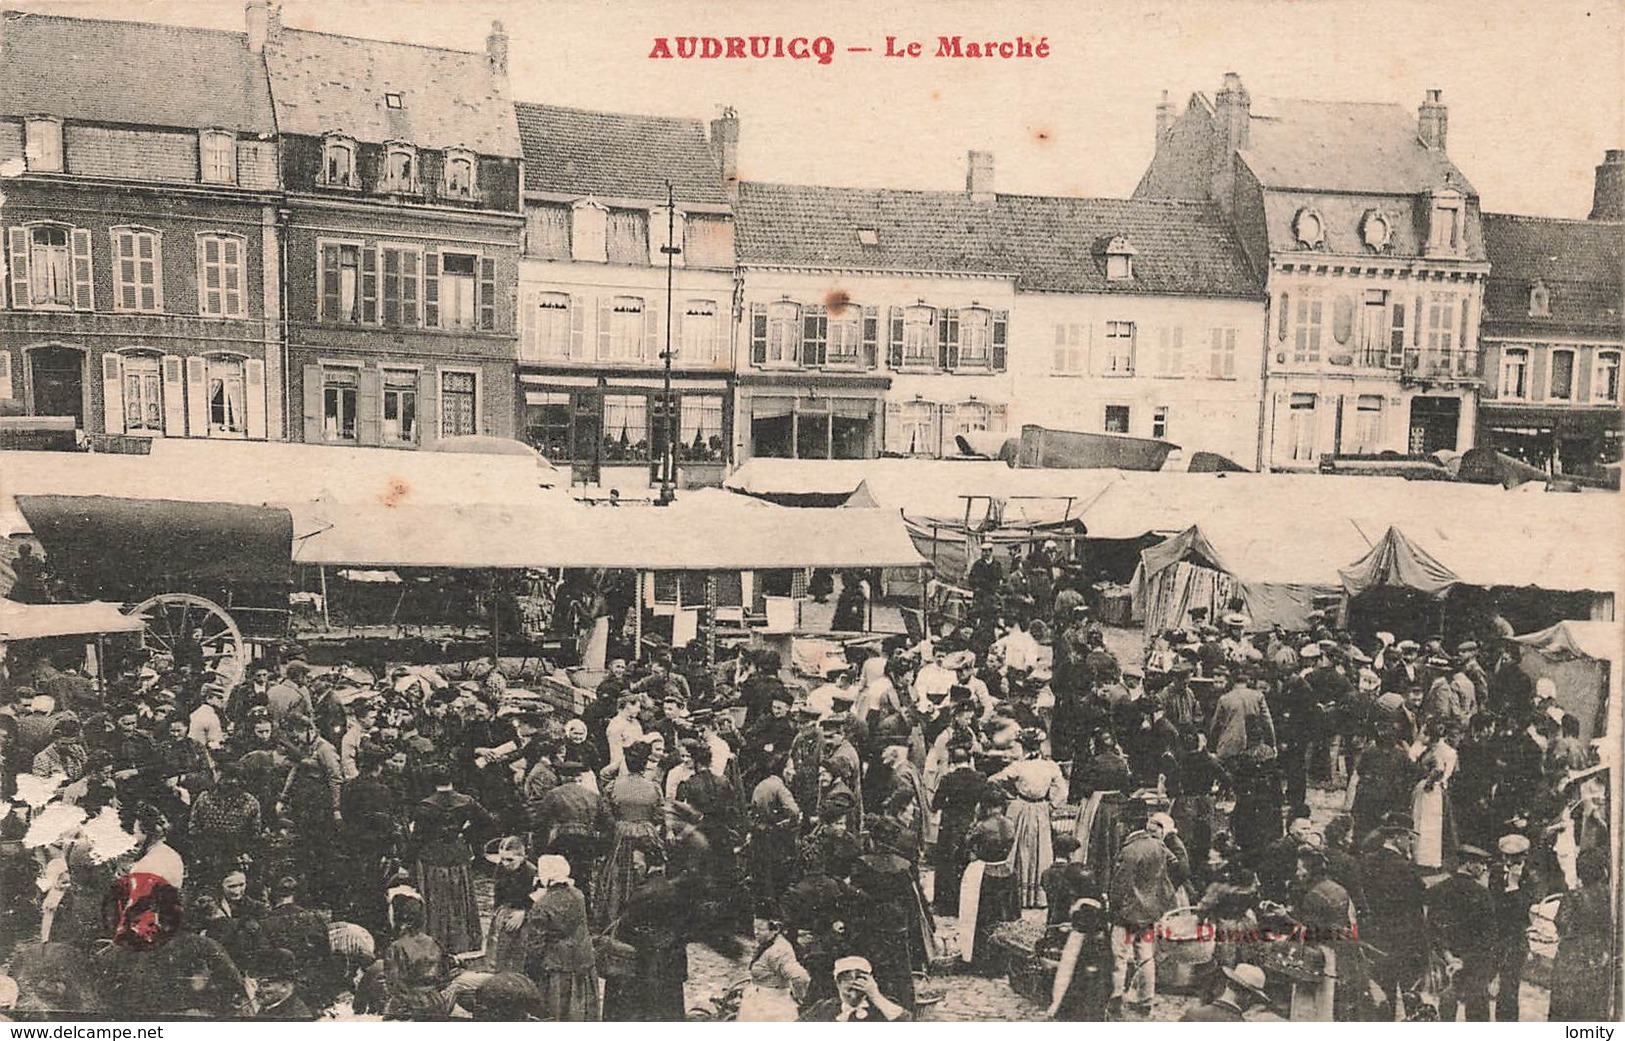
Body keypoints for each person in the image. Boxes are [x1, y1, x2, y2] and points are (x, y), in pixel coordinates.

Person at [409, 765, 498, 957]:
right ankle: (461, 942)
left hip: (432, 858)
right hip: (458, 855)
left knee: (436, 900)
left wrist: (408, 858)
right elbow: (489, 821)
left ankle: (435, 941)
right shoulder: (466, 801)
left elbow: (417, 838)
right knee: (459, 898)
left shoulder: (426, 806)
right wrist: (465, 834)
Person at [1108, 813, 1179, 1017]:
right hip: (1150, 911)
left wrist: (1114, 908)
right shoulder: (1158, 845)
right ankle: (1146, 1000)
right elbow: (1174, 864)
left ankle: (1116, 998)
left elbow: (1120, 885)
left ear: (1129, 825)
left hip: (1128, 913)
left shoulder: (1130, 850)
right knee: (1145, 956)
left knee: (1119, 956)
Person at [990, 728, 1066, 908]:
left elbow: (994, 779)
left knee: (1018, 848)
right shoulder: (1050, 766)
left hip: (1021, 807)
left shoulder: (1019, 766)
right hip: (1041, 808)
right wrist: (1052, 805)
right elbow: (1063, 791)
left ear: (1024, 747)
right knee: (1040, 848)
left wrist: (1007, 795)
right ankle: (1037, 897)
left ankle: (1018, 895)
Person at [521, 854, 599, 1022]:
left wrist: (530, 969)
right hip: (582, 961)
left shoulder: (542, 905)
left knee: (556, 1012)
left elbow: (535, 945)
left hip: (557, 967)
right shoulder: (578, 895)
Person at [596, 739, 665, 927]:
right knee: (643, 872)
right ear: (645, 764)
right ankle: (641, 917)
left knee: (615, 874)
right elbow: (659, 815)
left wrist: (618, 825)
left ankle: (613, 916)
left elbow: (604, 812)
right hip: (646, 833)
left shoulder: (613, 786)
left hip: (620, 834)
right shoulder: (654, 787)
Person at [1548, 846, 1613, 1022]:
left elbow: (1561, 923)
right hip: (1600, 954)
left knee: (1566, 1009)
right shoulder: (1610, 897)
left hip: (1573, 957)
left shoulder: (1574, 896)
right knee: (1594, 1007)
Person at [381, 891, 451, 1020]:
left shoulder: (396, 947)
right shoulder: (433, 942)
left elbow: (394, 984)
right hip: (436, 1002)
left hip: (409, 1005)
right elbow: (445, 976)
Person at [1488, 833, 1535, 1022]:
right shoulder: (1497, 872)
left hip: (1516, 938)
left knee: (1509, 988)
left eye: (1513, 857)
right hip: (1496, 935)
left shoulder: (1532, 876)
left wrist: (1514, 886)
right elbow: (1493, 902)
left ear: (1524, 856)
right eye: (1505, 856)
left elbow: (1525, 911)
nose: (1508, 861)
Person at [738, 918, 812, 1021]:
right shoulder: (767, 943)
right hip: (759, 1001)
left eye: (761, 929)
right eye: (755, 928)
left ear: (775, 929)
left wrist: (798, 996)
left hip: (772, 1006)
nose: (756, 932)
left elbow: (801, 977)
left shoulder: (779, 950)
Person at [797, 956, 912, 1021]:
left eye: (860, 977)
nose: (853, 983)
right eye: (846, 977)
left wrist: (875, 996)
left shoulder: (883, 1005)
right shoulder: (824, 1008)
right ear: (838, 983)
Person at [485, 835, 535, 973]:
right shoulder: (500, 868)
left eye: (510, 860)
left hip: (524, 916)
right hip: (505, 912)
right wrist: (497, 913)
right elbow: (498, 894)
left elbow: (537, 900)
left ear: (522, 857)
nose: (505, 863)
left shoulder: (531, 872)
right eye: (502, 859)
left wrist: (524, 913)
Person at [1179, 963, 1272, 1022]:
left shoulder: (1193, 1015)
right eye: (1254, 998)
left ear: (1228, 984)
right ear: (1248, 996)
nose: (1252, 1003)